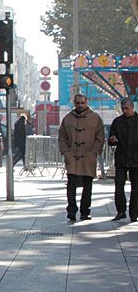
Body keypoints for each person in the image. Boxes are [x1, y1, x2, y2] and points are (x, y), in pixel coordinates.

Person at [59, 94, 105, 222]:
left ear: (86, 102)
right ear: (74, 103)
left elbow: (100, 137)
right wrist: (65, 152)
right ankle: (72, 211)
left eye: (82, 103)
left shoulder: (95, 118)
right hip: (72, 157)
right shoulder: (68, 119)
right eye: (78, 103)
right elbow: (62, 136)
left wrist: (94, 152)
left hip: (88, 157)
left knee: (88, 186)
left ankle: (85, 211)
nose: (80, 105)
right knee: (71, 185)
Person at [108, 98, 138, 222]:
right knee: (119, 186)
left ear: (132, 107)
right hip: (121, 158)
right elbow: (110, 139)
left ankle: (134, 213)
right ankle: (121, 211)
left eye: (127, 108)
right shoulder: (117, 122)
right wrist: (112, 140)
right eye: (123, 108)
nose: (125, 111)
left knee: (136, 188)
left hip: (136, 159)